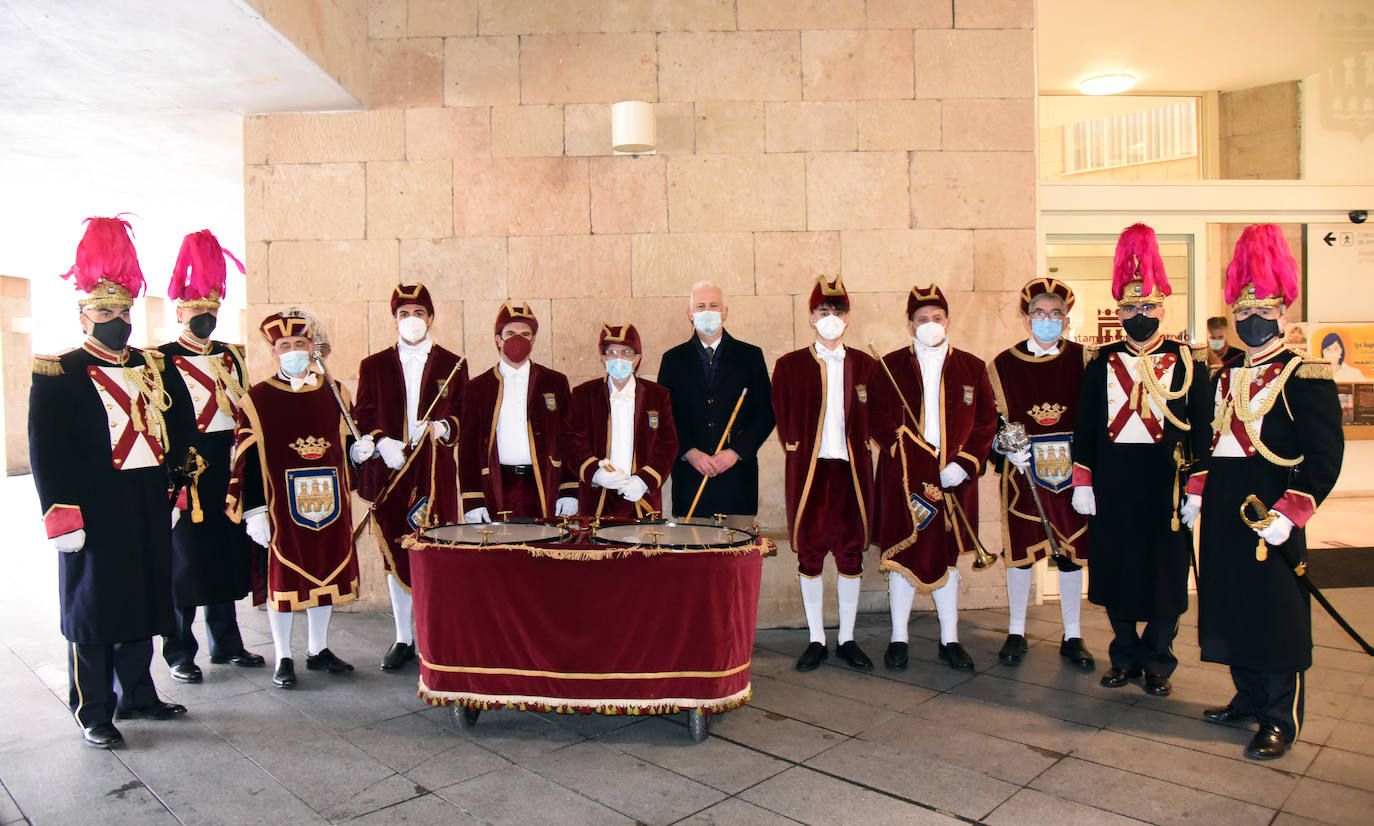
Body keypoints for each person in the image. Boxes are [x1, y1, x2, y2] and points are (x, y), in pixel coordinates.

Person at [1184, 224, 1344, 760]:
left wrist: (1290, 513)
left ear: (1283, 314)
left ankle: (1280, 716)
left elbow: (1325, 459)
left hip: (1270, 514)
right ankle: (1249, 698)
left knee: (1277, 615)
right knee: (1231, 606)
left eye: (1263, 312)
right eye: (1243, 313)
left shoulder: (1307, 375)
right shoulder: (1225, 373)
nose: (1252, 321)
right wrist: (1198, 492)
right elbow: (1211, 441)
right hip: (1226, 510)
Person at [30, 216, 186, 748]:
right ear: (82, 315)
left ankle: (139, 694)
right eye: (104, 311)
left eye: (124, 311)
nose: (117, 320)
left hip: (146, 500)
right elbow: (46, 451)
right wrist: (60, 514)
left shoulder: (152, 363)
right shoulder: (59, 372)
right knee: (93, 609)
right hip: (93, 507)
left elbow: (179, 428)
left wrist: (177, 486)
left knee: (142, 599)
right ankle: (93, 707)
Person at [1072, 223, 1211, 697]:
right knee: (1116, 572)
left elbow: (1204, 433)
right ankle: (1125, 654)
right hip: (1113, 485)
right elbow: (1086, 427)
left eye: (1147, 306)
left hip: (1166, 487)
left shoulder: (1190, 361)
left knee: (1166, 578)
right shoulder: (1100, 361)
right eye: (1130, 307)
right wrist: (1083, 482)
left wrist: (1197, 490)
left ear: (1163, 307)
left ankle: (1158, 661)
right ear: (1119, 310)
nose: (1139, 314)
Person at [227, 311, 371, 689]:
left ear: (312, 348)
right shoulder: (257, 399)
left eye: (300, 344)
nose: (293, 351)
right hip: (282, 506)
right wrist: (255, 511)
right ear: (274, 352)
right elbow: (249, 461)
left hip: (329, 503)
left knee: (324, 571)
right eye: (284, 346)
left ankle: (318, 649)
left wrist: (357, 453)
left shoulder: (335, 392)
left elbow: (343, 446)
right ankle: (283, 656)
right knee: (284, 580)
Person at [870, 284, 997, 672]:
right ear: (910, 325)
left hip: (955, 477)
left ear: (947, 321)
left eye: (936, 319)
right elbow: (876, 418)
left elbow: (986, 422)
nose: (930, 325)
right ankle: (898, 638)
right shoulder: (889, 366)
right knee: (903, 553)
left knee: (948, 555)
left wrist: (964, 463)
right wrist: (909, 454)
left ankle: (950, 639)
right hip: (903, 479)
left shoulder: (972, 367)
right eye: (922, 320)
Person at [157, 229, 264, 684]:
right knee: (183, 566)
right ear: (179, 310)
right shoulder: (156, 359)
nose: (204, 316)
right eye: (196, 308)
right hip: (187, 475)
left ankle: (227, 642)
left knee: (223, 558)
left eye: (211, 308)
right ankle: (180, 650)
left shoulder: (233, 356)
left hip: (227, 470)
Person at [352, 284, 467, 672]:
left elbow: (463, 414)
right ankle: (404, 637)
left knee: (437, 549)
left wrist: (441, 427)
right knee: (396, 552)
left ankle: (440, 635)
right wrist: (382, 442)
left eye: (418, 312)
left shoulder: (453, 363)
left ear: (431, 317)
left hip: (435, 470)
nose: (411, 320)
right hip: (393, 469)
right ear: (394, 319)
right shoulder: (374, 365)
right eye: (403, 314)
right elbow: (363, 414)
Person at [771, 277, 878, 672]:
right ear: (811, 316)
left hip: (852, 472)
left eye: (836, 312)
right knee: (811, 552)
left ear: (847, 317)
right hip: (810, 472)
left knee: (851, 552)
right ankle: (816, 638)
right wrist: (797, 448)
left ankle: (847, 637)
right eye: (822, 311)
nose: (829, 318)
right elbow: (783, 415)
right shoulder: (790, 365)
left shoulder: (866, 365)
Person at [986, 278, 1094, 669]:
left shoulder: (1085, 360)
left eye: (1054, 314)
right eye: (1039, 313)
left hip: (1073, 476)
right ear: (1026, 317)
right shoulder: (1003, 364)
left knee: (1070, 557)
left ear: (1066, 319)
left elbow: (1096, 422)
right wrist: (1004, 449)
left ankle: (1073, 634)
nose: (1046, 320)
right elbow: (989, 421)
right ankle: (1016, 630)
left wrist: (1089, 475)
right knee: (1022, 555)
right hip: (1023, 475)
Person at [656, 281, 775, 519]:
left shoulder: (750, 356)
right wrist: (690, 452)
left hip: (737, 480)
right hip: (690, 479)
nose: (707, 311)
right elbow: (663, 415)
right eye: (700, 306)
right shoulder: (673, 359)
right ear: (690, 314)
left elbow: (765, 413)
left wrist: (735, 453)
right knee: (695, 554)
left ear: (725, 312)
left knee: (736, 554)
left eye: (714, 305)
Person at [460, 302, 576, 522]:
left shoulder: (554, 382)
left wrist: (569, 489)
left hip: (543, 482)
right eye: (510, 333)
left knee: (543, 552)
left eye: (525, 334)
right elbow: (467, 447)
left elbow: (568, 439)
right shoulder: (478, 387)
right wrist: (472, 499)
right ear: (498, 339)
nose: (518, 339)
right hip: (496, 484)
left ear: (532, 340)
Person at [565, 323, 678, 519]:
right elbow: (571, 440)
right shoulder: (584, 394)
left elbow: (667, 444)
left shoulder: (657, 395)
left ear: (637, 359)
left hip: (642, 498)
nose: (619, 358)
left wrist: (644, 481)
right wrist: (596, 473)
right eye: (612, 352)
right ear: (603, 358)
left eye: (626, 352)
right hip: (597, 498)